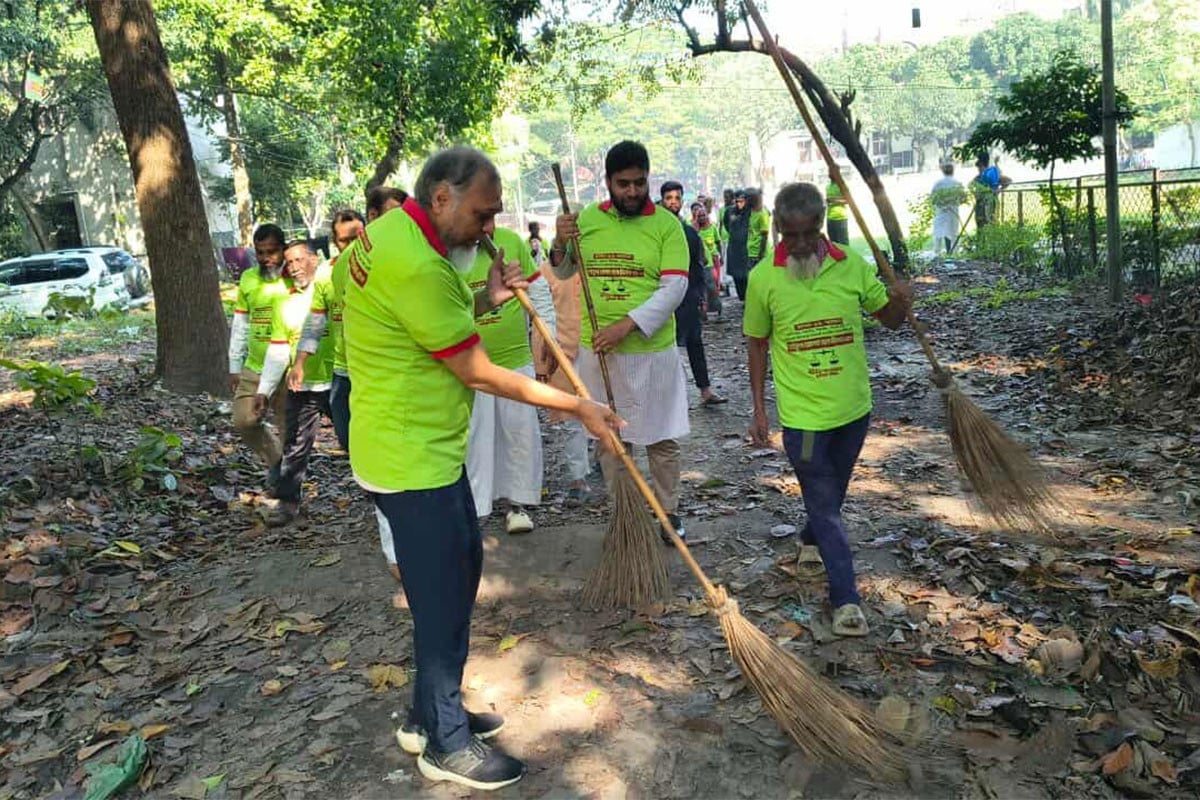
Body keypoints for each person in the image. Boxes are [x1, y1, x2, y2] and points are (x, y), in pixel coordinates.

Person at [342, 146, 619, 790]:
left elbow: (419, 324)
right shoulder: (418, 262)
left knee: (459, 573)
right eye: (482, 213)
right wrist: (577, 405)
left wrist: (485, 300)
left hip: (412, 447)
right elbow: (475, 369)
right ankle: (446, 745)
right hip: (411, 458)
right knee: (442, 602)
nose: (489, 228)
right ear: (441, 197)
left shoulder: (387, 236)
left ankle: (425, 714)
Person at [743, 182, 911, 639]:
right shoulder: (763, 278)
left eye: (808, 233)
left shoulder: (850, 264)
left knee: (830, 499)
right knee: (824, 500)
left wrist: (901, 298)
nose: (799, 245)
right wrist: (759, 410)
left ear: (822, 226)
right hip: (804, 417)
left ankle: (808, 539)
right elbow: (757, 344)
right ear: (777, 227)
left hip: (854, 409)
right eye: (789, 234)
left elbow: (890, 320)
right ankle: (846, 598)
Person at [551, 140, 691, 543]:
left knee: (661, 439)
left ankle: (668, 514)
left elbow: (674, 287)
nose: (632, 191)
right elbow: (561, 274)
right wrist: (561, 242)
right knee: (611, 440)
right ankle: (625, 515)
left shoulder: (667, 226)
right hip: (601, 357)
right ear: (608, 182)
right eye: (623, 183)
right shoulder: (587, 220)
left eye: (639, 183)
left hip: (652, 354)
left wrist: (626, 325)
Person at [292, 208, 405, 581]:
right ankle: (385, 516)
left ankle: (396, 542)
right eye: (344, 240)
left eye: (359, 236)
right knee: (361, 456)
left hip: (384, 377)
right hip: (346, 378)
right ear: (334, 244)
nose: (353, 244)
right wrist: (300, 361)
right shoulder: (329, 275)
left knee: (390, 455)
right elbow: (316, 321)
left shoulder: (388, 266)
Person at [463, 226, 557, 533]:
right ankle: (476, 510)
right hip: (471, 370)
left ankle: (516, 505)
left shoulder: (511, 241)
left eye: (491, 216)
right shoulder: (449, 253)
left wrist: (548, 336)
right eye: (480, 215)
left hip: (516, 362)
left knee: (518, 435)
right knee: (476, 440)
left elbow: (538, 290)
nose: (487, 226)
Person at [256, 240, 331, 525]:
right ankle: (288, 503)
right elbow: (277, 350)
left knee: (355, 440)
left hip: (338, 381)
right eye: (289, 262)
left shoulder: (332, 290)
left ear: (315, 259)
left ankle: (379, 497)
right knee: (295, 447)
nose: (294, 267)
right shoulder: (285, 302)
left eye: (299, 260)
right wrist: (264, 390)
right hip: (303, 386)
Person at [228, 224, 292, 487]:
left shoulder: (294, 278)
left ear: (284, 249)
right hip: (255, 366)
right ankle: (276, 461)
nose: (267, 258)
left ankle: (288, 486)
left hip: (287, 369)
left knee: (288, 428)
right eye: (261, 252)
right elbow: (241, 325)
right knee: (243, 420)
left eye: (272, 252)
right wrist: (234, 364)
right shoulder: (248, 279)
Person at [661, 181, 726, 406]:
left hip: (688, 295)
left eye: (677, 198)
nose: (673, 203)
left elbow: (698, 266)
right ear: (662, 200)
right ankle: (671, 398)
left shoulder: (689, 232)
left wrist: (702, 296)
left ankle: (705, 390)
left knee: (695, 342)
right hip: (662, 297)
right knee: (667, 348)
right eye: (669, 198)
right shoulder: (654, 231)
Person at [692, 201, 723, 317]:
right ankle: (703, 311)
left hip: (711, 260)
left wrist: (720, 256)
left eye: (704, 215)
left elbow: (718, 242)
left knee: (712, 285)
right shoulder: (694, 229)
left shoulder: (712, 227)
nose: (702, 218)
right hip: (699, 261)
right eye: (699, 216)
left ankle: (716, 308)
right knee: (701, 287)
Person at [931, 160, 967, 255]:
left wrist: (942, 203)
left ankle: (937, 253)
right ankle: (953, 252)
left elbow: (933, 199)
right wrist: (955, 201)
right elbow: (964, 198)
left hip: (941, 211)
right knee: (953, 232)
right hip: (953, 211)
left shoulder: (938, 183)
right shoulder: (957, 183)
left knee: (939, 232)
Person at [723, 189, 752, 301]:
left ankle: (749, 298)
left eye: (742, 201)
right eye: (737, 201)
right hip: (734, 247)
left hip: (746, 247)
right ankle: (742, 297)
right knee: (737, 275)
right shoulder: (729, 211)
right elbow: (726, 224)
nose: (739, 204)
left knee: (747, 275)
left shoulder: (750, 211)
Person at [971, 153, 1009, 228]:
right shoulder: (978, 177)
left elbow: (1007, 181)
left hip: (990, 202)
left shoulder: (992, 174)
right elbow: (972, 185)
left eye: (980, 167)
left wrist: (998, 190)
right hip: (980, 203)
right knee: (980, 222)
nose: (979, 169)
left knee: (991, 221)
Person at [746, 187, 772, 274]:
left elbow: (764, 235)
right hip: (750, 252)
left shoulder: (762, 214)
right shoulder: (750, 212)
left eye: (747, 198)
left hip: (759, 253)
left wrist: (761, 254)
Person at [825, 178, 849, 245]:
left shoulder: (841, 186)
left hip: (841, 218)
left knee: (843, 243)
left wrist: (834, 200)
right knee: (833, 243)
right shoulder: (828, 186)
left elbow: (848, 200)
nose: (829, 174)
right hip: (829, 217)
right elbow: (828, 200)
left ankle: (847, 255)